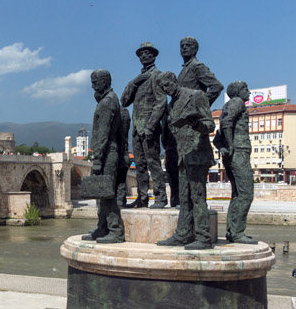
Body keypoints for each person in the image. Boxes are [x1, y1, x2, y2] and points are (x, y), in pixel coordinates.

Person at [154, 72, 216, 250]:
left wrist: (195, 123)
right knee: (184, 197)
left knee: (197, 196)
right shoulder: (172, 105)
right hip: (183, 156)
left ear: (174, 81)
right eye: (163, 88)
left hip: (197, 154)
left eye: (167, 85)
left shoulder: (196, 96)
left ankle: (204, 237)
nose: (166, 89)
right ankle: (183, 234)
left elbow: (209, 124)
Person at [173, 37, 223, 209]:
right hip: (183, 130)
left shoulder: (197, 67)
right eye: (182, 46)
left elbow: (216, 86)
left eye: (188, 46)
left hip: (194, 126)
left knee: (195, 187)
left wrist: (200, 105)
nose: (184, 48)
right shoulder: (184, 70)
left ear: (195, 49)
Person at [121, 42, 167, 208]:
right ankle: (142, 198)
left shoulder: (157, 76)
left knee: (153, 163)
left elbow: (161, 102)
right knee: (139, 165)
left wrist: (151, 125)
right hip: (137, 129)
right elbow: (124, 101)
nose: (144, 56)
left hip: (149, 129)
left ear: (154, 56)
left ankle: (161, 197)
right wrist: (134, 82)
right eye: (141, 54)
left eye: (147, 53)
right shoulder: (139, 80)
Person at [82, 69, 126, 243]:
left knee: (107, 192)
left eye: (95, 82)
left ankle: (115, 230)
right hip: (109, 151)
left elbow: (103, 133)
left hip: (108, 152)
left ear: (105, 81)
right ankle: (102, 227)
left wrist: (98, 159)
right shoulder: (108, 99)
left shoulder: (107, 102)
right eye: (91, 82)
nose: (93, 85)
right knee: (102, 192)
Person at [217, 81, 256, 244]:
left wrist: (224, 146)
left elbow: (219, 132)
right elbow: (226, 124)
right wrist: (231, 145)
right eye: (246, 89)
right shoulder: (237, 102)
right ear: (238, 91)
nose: (249, 92)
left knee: (237, 194)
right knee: (246, 193)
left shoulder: (228, 105)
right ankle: (237, 232)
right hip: (238, 151)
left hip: (234, 152)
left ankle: (232, 231)